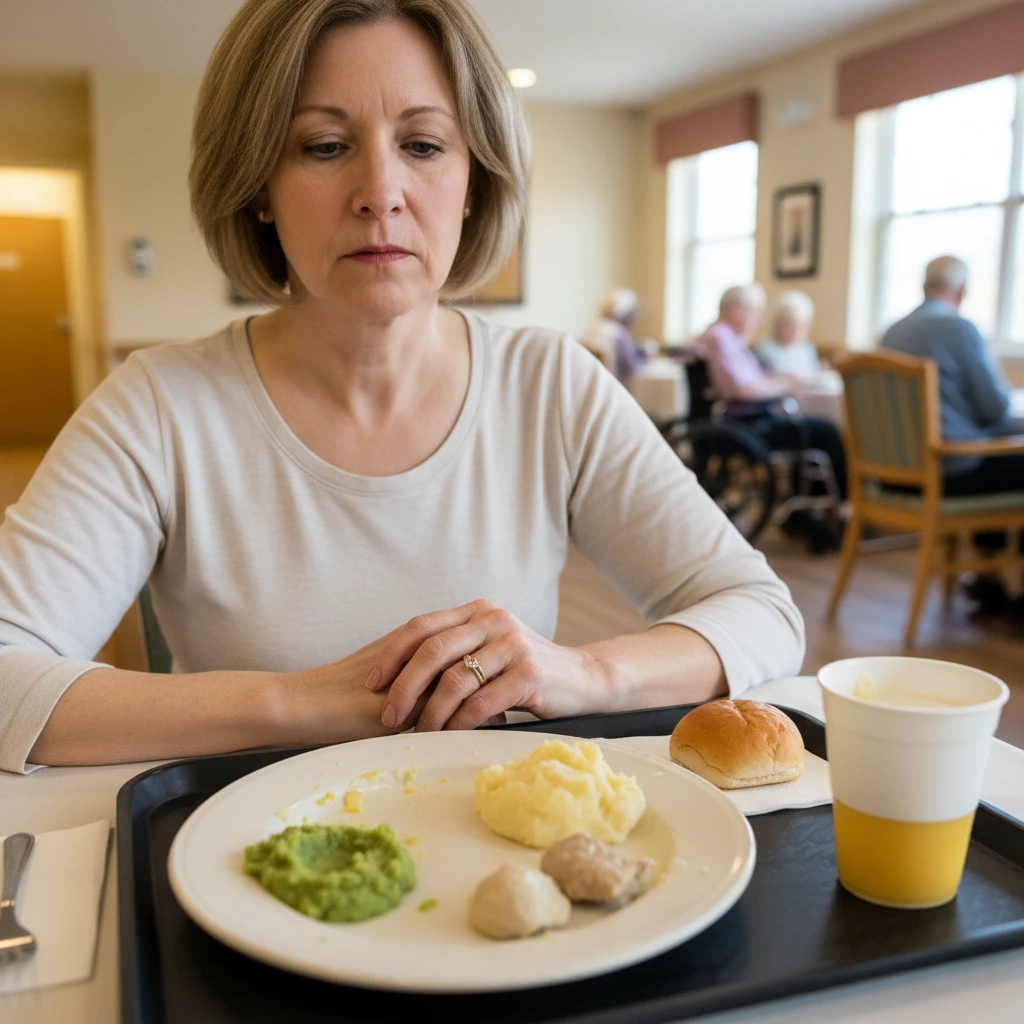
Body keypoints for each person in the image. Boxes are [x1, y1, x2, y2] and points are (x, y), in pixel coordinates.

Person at [0, 0, 804, 776]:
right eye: (322, 146)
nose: (380, 191)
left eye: (423, 145)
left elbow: (759, 613)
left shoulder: (550, 385)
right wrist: (303, 702)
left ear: (474, 182)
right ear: (257, 188)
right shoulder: (159, 407)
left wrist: (579, 674)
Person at [881, 255, 1024, 613]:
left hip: (892, 474)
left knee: (1000, 462)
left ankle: (987, 578)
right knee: (1009, 462)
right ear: (962, 291)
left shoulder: (892, 331)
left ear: (924, 286)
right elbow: (995, 408)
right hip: (946, 473)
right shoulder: (959, 328)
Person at [692, 284, 847, 503]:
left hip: (744, 419)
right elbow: (743, 390)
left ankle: (812, 504)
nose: (758, 320)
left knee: (818, 427)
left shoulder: (725, 338)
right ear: (737, 310)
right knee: (827, 431)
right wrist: (787, 382)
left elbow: (749, 383)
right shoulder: (721, 338)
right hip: (746, 424)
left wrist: (783, 381)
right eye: (755, 312)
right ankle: (842, 505)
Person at [581, 288, 658, 385]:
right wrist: (645, 356)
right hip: (610, 385)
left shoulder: (593, 327)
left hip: (590, 383)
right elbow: (631, 366)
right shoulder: (618, 332)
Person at [756, 291, 820, 378]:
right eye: (790, 325)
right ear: (777, 325)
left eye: (801, 326)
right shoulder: (765, 350)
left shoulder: (807, 349)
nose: (795, 331)